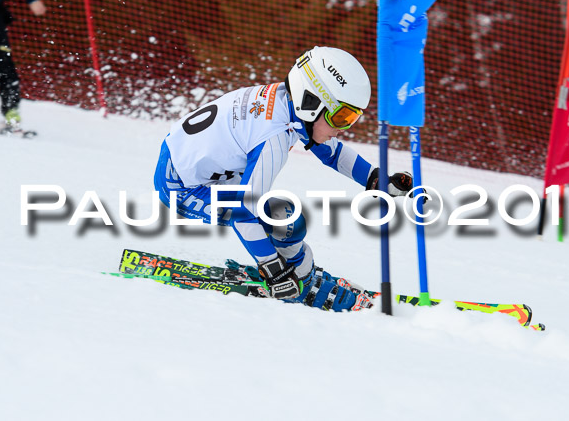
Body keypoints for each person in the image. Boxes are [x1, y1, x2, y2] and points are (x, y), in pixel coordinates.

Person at [154, 46, 416, 311]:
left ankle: (302, 273)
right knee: (285, 220)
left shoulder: (287, 103)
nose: (343, 128)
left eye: (352, 117)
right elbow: (243, 213)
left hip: (196, 169)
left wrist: (373, 178)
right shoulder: (273, 137)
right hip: (181, 187)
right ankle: (300, 286)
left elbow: (331, 153)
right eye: (341, 116)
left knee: (281, 217)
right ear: (312, 102)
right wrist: (275, 272)